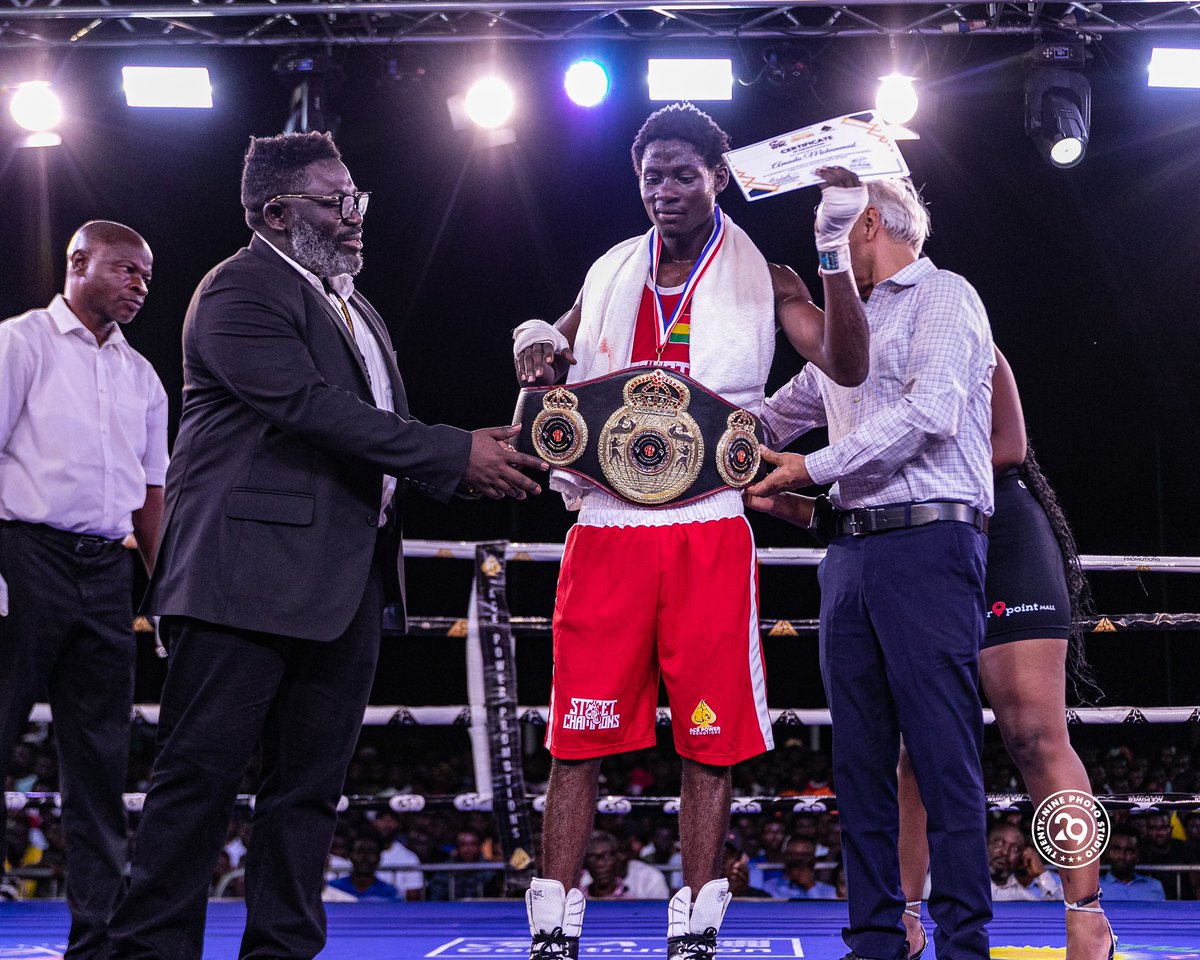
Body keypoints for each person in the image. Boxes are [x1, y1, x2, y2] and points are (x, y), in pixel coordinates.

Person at [107, 131, 546, 960]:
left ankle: (282, 952)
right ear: (276, 212)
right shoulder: (239, 289)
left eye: (357, 198)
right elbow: (311, 409)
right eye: (335, 200)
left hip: (341, 585)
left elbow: (374, 429)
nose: (354, 215)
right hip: (240, 582)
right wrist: (453, 453)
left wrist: (464, 455)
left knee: (308, 794)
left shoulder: (353, 305)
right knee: (196, 785)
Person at [514, 103, 869, 960]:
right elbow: (549, 360)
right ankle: (553, 925)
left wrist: (832, 244)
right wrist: (534, 340)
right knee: (577, 732)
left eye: (682, 173)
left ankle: (699, 925)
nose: (664, 189)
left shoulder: (768, 276)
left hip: (707, 523)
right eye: (651, 175)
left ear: (717, 176)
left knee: (708, 735)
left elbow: (847, 364)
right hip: (606, 523)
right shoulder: (607, 270)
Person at [753, 346, 1115, 956]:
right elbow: (797, 445)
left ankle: (1086, 912)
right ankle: (906, 914)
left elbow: (1010, 446)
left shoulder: (964, 335)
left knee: (1035, 734)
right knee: (919, 746)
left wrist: (876, 469)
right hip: (907, 543)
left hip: (996, 530)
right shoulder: (839, 366)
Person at [750, 174, 995, 960]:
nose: (820, 244)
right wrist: (663, 423)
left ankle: (964, 947)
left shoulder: (945, 294)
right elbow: (771, 418)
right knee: (857, 763)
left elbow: (931, 412)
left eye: (831, 226)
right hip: (849, 553)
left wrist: (811, 468)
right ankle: (875, 942)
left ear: (866, 225)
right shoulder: (844, 331)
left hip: (928, 542)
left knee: (943, 756)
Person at [0, 221, 166, 957]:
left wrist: (166, 594)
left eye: (146, 276)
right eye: (126, 270)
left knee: (99, 769)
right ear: (78, 262)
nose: (140, 285)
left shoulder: (142, 376)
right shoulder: (20, 343)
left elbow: (152, 496)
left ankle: (96, 943)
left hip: (106, 573)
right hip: (21, 555)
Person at [986, 823, 1062, 901]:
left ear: (1022, 857)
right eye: (998, 843)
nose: (1005, 852)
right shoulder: (977, 888)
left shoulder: (1020, 898)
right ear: (985, 844)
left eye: (1015, 849)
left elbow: (1060, 906)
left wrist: (1041, 874)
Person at [1100, 826, 1166, 901]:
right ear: (1107, 853)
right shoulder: (1096, 888)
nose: (1122, 856)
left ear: (1138, 855)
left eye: (1129, 851)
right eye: (1117, 850)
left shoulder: (1154, 886)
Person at [327, 835, 400, 902]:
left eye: (371, 852)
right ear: (350, 856)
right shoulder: (333, 888)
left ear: (379, 858)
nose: (365, 858)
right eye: (359, 852)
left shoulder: (390, 893)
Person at [761, 836, 837, 900]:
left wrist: (809, 886)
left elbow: (824, 911)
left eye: (804, 855)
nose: (798, 859)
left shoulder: (828, 891)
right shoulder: (769, 887)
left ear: (813, 858)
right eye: (793, 854)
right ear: (785, 857)